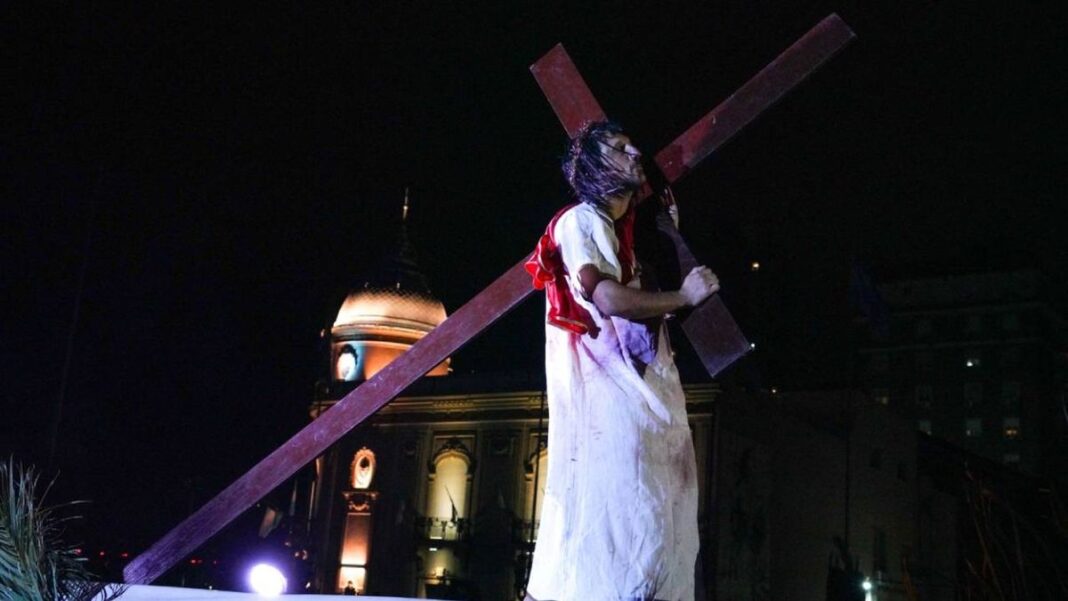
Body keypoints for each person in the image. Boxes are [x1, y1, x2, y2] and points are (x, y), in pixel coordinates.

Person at [524, 121, 720, 601]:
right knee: (621, 546)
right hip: (614, 420)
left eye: (632, 142)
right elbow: (607, 298)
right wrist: (683, 295)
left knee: (655, 538)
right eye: (618, 146)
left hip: (647, 414)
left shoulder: (621, 239)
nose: (635, 150)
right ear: (592, 166)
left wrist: (668, 230)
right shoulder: (580, 222)